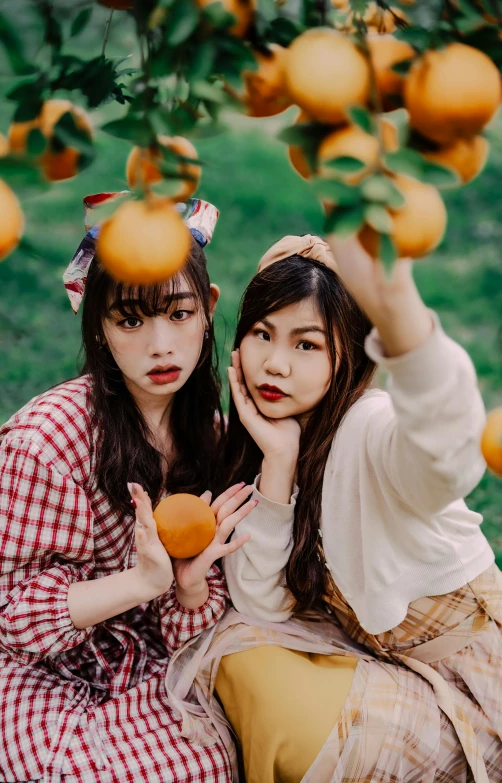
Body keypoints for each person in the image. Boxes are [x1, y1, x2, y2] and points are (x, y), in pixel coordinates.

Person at [165, 234, 502, 783]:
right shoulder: (271, 439)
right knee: (237, 653)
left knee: (286, 720)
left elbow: (446, 457)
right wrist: (277, 464)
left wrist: (406, 328)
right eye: (262, 334)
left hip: (477, 690)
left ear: (346, 351)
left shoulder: (370, 429)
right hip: (386, 667)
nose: (274, 365)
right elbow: (262, 606)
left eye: (307, 345)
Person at [0, 193, 257, 783]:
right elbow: (7, 619)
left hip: (148, 660)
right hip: (33, 671)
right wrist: (142, 582)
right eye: (130, 319)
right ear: (99, 328)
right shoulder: (46, 443)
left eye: (178, 314)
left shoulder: (209, 433)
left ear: (207, 310)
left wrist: (183, 588)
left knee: (220, 761)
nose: (160, 345)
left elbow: (189, 621)